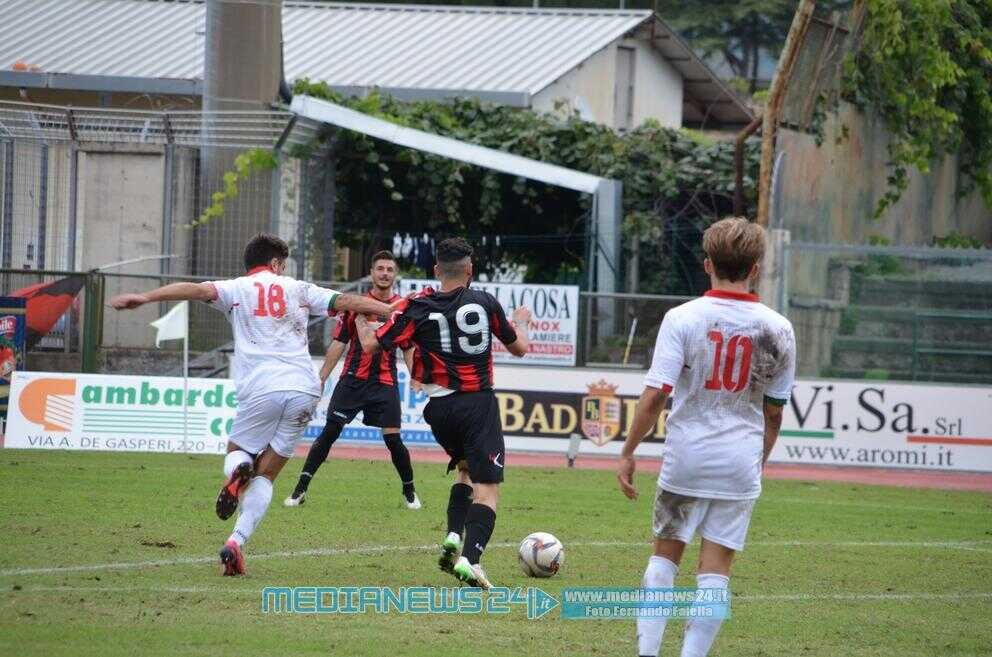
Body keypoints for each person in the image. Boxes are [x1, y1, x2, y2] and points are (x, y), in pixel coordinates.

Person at [110, 233, 395, 576]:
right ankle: (236, 542)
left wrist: (145, 297)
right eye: (282, 264)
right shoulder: (298, 288)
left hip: (261, 388)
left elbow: (194, 290)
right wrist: (388, 308)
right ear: (275, 263)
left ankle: (238, 471)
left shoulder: (234, 289)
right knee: (268, 474)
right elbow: (347, 301)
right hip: (304, 389)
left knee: (238, 452)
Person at [616, 217, 796, 657]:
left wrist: (628, 450)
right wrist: (758, 460)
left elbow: (656, 395)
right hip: (740, 462)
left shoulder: (682, 318)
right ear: (755, 268)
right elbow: (774, 413)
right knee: (716, 572)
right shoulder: (780, 329)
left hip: (687, 458)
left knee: (664, 559)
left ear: (707, 264)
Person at [355, 237, 531, 589]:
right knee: (487, 489)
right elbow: (520, 348)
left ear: (436, 270)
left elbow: (371, 345)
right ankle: (472, 560)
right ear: (470, 270)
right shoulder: (485, 302)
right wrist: (521, 321)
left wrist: (360, 319)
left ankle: (453, 535)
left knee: (465, 470)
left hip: (439, 410)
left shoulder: (417, 306)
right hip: (477, 405)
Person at [285, 250, 421, 510]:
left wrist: (416, 376)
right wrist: (322, 377)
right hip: (352, 381)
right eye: (380, 268)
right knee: (329, 433)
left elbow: (408, 348)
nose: (384, 274)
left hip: (385, 383)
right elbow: (339, 342)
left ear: (395, 275)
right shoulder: (356, 304)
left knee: (393, 440)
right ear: (371, 273)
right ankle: (299, 490)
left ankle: (410, 491)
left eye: (389, 270)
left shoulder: (402, 308)